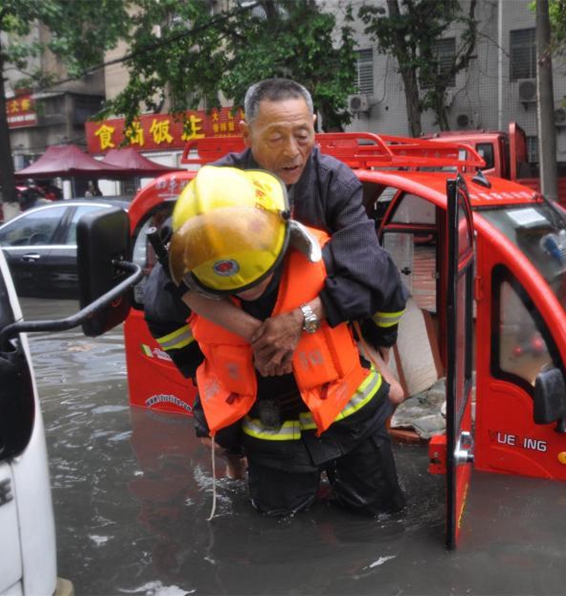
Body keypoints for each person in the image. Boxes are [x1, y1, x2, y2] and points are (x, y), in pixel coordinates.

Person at [142, 78, 406, 477]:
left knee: (392, 396)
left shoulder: (335, 182)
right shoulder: (214, 191)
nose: (292, 151)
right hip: (244, 356)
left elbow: (370, 271)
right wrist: (245, 343)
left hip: (326, 334)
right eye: (276, 137)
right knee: (225, 448)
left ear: (315, 126)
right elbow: (168, 285)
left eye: (303, 135)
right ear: (246, 134)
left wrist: (299, 321)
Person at [168, 165, 406, 517]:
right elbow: (185, 347)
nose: (249, 290)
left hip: (351, 412)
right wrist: (211, 407)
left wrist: (377, 342)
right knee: (278, 528)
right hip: (271, 435)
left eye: (259, 278)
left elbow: (386, 288)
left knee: (380, 515)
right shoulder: (180, 274)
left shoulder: (327, 255)